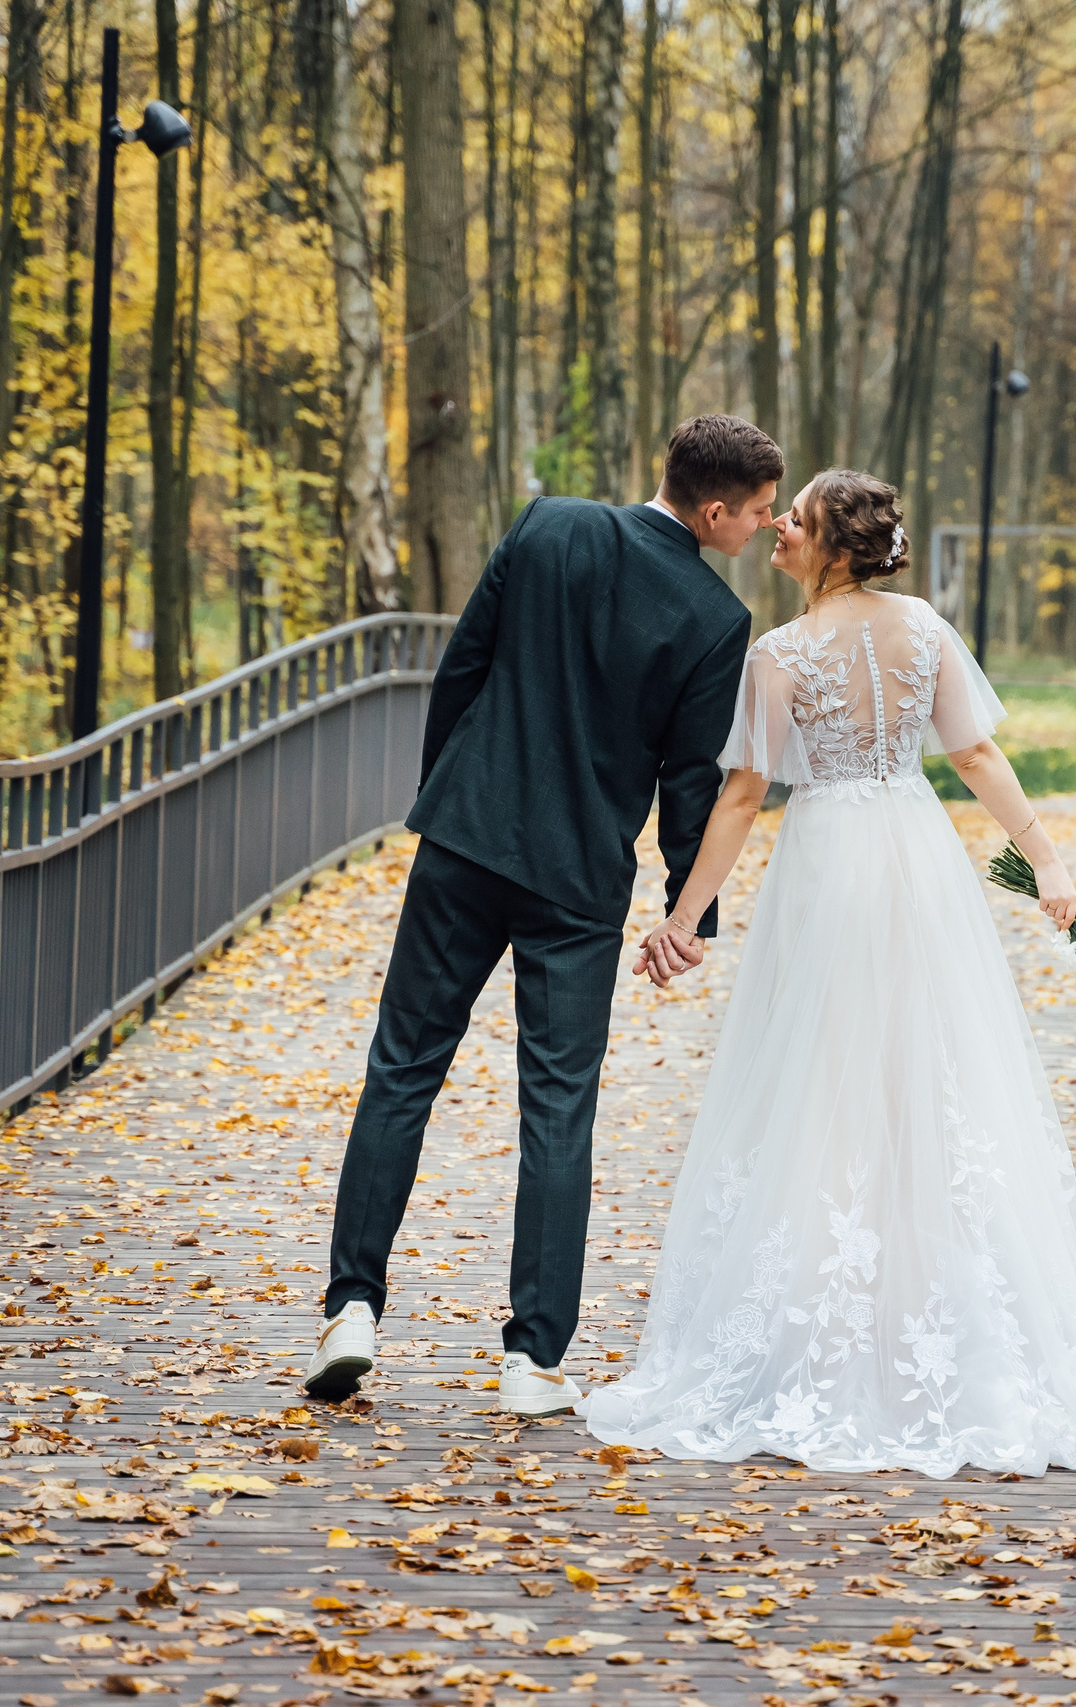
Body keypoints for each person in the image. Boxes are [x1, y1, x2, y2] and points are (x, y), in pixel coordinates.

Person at [579, 470, 1076, 1477]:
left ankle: (837, 1331)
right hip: (917, 856)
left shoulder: (781, 653)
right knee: (928, 1074)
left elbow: (746, 793)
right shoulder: (924, 628)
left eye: (794, 521)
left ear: (831, 546)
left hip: (831, 865)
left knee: (823, 1084)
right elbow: (972, 756)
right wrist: (1044, 858)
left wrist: (683, 911)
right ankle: (927, 1323)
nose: (779, 531)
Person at [307, 415, 783, 1417]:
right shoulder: (710, 617)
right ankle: (532, 1360)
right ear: (711, 512)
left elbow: (461, 673)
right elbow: (688, 785)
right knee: (558, 1108)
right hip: (577, 879)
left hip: (466, 839)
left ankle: (351, 1308)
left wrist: (448, 802)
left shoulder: (546, 526)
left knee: (401, 1070)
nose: (765, 526)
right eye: (758, 511)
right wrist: (683, 913)